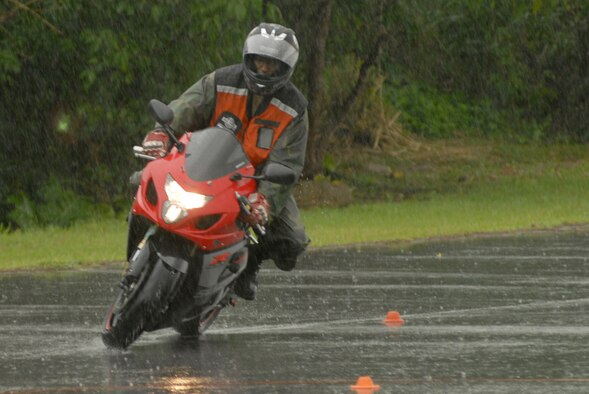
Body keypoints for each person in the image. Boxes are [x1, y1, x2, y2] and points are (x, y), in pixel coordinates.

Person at [140, 23, 310, 301]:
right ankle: (140, 244)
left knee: (292, 240)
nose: (263, 69)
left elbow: (289, 163)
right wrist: (160, 134)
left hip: (258, 180)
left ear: (286, 68)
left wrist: (265, 201)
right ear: (248, 57)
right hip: (201, 164)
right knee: (140, 180)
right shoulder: (220, 81)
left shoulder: (295, 108)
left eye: (271, 64)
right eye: (259, 60)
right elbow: (185, 107)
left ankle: (248, 265)